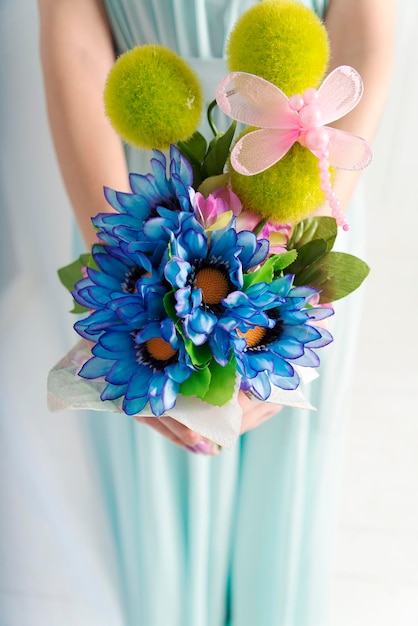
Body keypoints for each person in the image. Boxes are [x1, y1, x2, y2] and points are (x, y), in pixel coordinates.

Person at [32, 0, 396, 624]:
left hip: (303, 189)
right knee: (161, 522)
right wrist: (128, 280)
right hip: (141, 202)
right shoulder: (133, 238)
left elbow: (365, 38)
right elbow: (76, 45)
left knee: (288, 506)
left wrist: (295, 250)